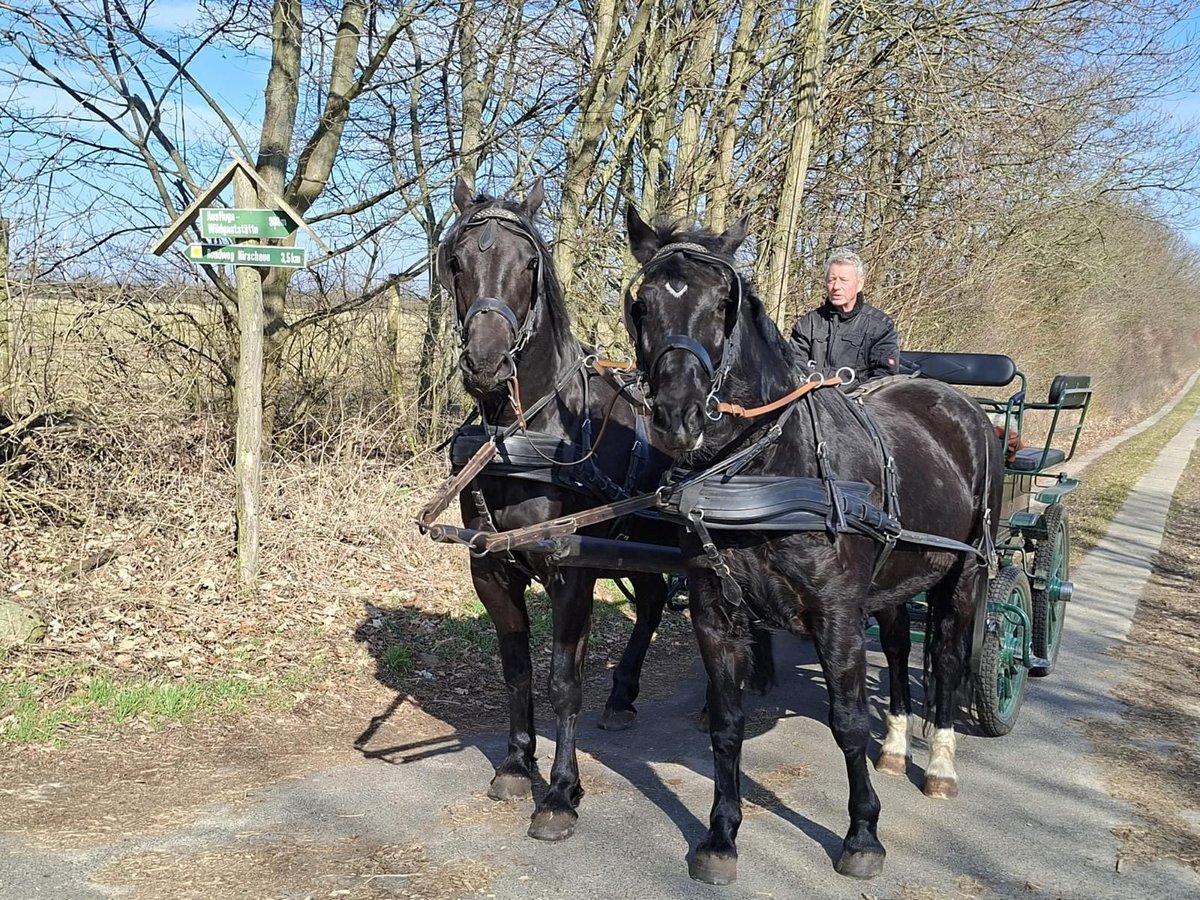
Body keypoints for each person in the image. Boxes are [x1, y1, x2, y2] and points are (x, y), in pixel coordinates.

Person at [791, 249, 900, 385]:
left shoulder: (881, 326)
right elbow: (794, 366)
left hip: (859, 397)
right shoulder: (808, 324)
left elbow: (884, 378)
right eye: (831, 280)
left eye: (844, 280)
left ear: (859, 284)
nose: (836, 286)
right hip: (813, 395)